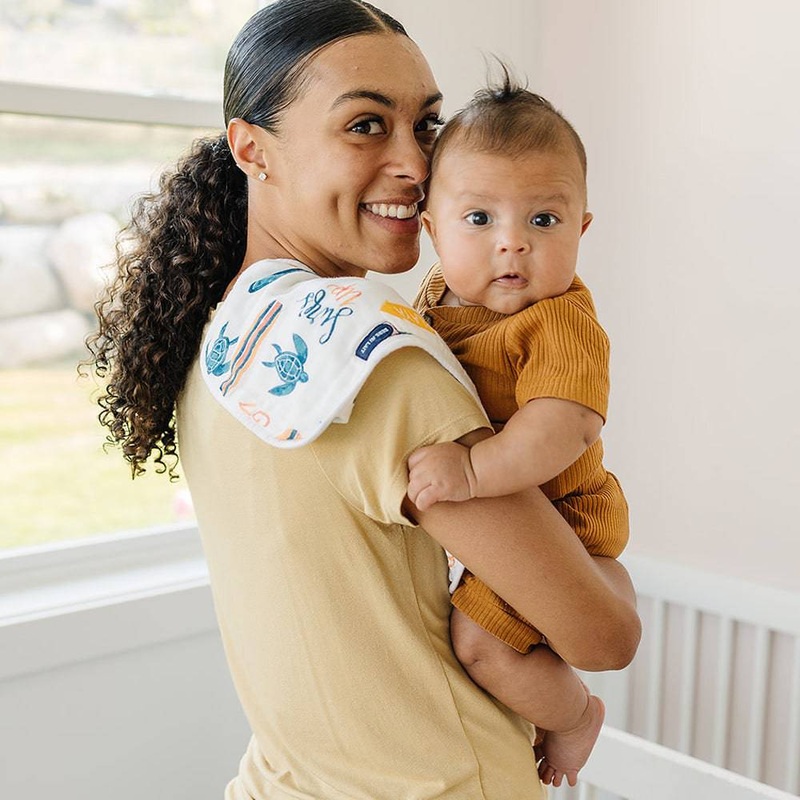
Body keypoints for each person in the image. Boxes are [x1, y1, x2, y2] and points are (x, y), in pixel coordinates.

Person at [87, 2, 640, 798]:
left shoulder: (224, 328)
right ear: (253, 150)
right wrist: (608, 577)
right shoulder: (371, 364)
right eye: (365, 127)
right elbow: (603, 633)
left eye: (427, 124)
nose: (417, 164)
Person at [407, 79, 630, 788]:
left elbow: (557, 430)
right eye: (478, 217)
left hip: (566, 520)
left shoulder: (560, 320)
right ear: (431, 228)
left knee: (479, 649)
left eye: (543, 221)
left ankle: (571, 718)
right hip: (512, 530)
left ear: (582, 231)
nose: (511, 244)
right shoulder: (436, 300)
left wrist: (472, 475)